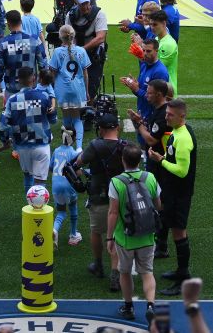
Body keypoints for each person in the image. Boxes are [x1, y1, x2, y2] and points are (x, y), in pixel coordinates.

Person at [71, 112, 128, 291]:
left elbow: (77, 164)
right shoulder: (126, 146)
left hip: (98, 194)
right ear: (117, 128)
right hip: (120, 196)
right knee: (117, 236)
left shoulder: (95, 145)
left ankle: (98, 265)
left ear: (101, 129)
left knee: (96, 231)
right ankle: (115, 275)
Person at [107, 144, 162, 324]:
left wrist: (109, 237)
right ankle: (151, 306)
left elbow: (113, 212)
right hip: (147, 235)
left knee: (124, 272)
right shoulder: (150, 178)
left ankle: (128, 307)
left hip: (125, 238)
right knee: (147, 272)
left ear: (123, 160)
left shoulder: (116, 182)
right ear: (140, 160)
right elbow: (158, 205)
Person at [148, 99, 198, 297]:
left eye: (170, 114)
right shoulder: (176, 133)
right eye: (166, 113)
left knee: (179, 233)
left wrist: (160, 161)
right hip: (173, 192)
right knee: (175, 230)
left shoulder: (183, 138)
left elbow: (182, 171)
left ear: (182, 116)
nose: (166, 116)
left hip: (179, 194)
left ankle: (183, 276)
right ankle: (180, 271)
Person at [127, 78, 170, 256]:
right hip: (156, 161)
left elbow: (152, 139)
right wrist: (142, 122)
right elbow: (152, 131)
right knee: (155, 199)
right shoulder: (158, 110)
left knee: (159, 201)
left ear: (159, 94)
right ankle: (159, 238)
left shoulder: (162, 114)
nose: (147, 95)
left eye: (150, 93)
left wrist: (138, 125)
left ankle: (162, 244)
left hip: (160, 164)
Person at [0, 67, 57, 192]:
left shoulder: (12, 100)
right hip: (42, 144)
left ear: (18, 80)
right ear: (34, 78)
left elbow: (3, 125)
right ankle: (39, 209)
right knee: (40, 182)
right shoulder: (44, 97)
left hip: (22, 145)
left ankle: (29, 206)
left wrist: (5, 141)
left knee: (27, 176)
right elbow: (53, 119)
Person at [50, 25, 91, 148]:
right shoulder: (81, 51)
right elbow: (85, 74)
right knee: (77, 118)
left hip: (62, 89)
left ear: (60, 37)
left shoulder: (57, 52)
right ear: (73, 36)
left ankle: (67, 146)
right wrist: (87, 91)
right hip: (78, 89)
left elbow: (53, 72)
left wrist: (53, 88)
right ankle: (79, 147)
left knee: (66, 117)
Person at [64, 0, 109, 100]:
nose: (84, 6)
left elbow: (100, 38)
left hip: (93, 53)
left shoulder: (99, 15)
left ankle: (89, 109)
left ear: (90, 1)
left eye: (86, 3)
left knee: (91, 86)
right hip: (76, 52)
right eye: (81, 4)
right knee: (74, 83)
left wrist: (82, 49)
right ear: (76, 2)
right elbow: (68, 36)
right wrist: (72, 50)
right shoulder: (70, 15)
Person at [0, 11, 48, 100]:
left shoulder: (3, 43)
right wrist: (43, 80)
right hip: (31, 85)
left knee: (14, 112)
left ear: (8, 24)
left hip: (12, 87)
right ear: (21, 22)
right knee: (33, 112)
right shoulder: (35, 39)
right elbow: (43, 62)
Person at [51, 129, 82, 247]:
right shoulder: (74, 154)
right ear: (73, 139)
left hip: (56, 185)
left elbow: (50, 167)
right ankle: (73, 235)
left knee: (61, 212)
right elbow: (77, 172)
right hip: (68, 185)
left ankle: (54, 230)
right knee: (73, 207)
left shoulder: (56, 150)